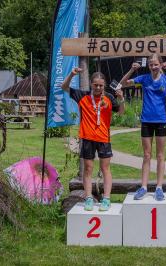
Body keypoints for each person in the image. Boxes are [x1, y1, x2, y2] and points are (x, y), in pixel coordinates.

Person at [120, 53, 166, 201]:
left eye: (156, 64)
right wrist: (131, 70)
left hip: (161, 120)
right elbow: (122, 84)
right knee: (147, 155)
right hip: (146, 121)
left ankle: (159, 187)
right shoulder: (143, 79)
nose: (153, 66)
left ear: (160, 64)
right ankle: (143, 187)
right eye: (151, 64)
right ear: (148, 65)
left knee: (161, 155)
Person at [61, 67, 125, 211]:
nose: (98, 87)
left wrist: (121, 99)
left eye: (101, 85)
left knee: (105, 168)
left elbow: (121, 113)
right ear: (91, 84)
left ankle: (107, 199)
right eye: (95, 85)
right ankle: (89, 197)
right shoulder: (82, 96)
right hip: (87, 137)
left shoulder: (109, 97)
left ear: (104, 85)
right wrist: (71, 74)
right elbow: (64, 87)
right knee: (88, 169)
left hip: (103, 138)